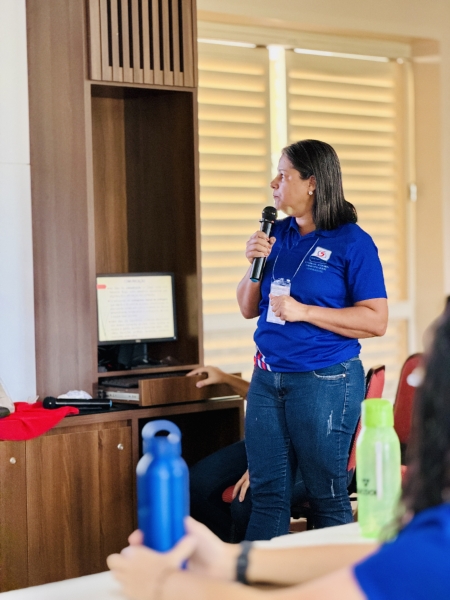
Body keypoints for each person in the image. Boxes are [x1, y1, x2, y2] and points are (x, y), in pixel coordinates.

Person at [110, 309, 450, 599]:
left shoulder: (331, 365)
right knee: (204, 483)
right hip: (272, 447)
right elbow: (385, 557)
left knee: (251, 500)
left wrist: (164, 585)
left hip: (304, 453)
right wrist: (232, 560)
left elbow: (404, 562)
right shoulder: (430, 538)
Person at [236, 139, 388, 539]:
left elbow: (376, 320)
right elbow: (248, 307)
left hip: (326, 379)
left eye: (283, 175)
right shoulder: (276, 234)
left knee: (327, 498)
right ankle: (258, 577)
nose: (274, 183)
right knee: (267, 497)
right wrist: (253, 263)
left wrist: (304, 312)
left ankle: (338, 576)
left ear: (313, 183)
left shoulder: (352, 242)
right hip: (267, 379)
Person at [187, 366, 308, 542]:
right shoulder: (272, 355)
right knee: (195, 485)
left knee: (248, 502)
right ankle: (229, 551)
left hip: (314, 448)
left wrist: (268, 461)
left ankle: (254, 555)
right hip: (273, 438)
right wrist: (225, 378)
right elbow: (269, 398)